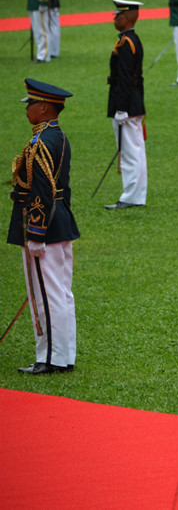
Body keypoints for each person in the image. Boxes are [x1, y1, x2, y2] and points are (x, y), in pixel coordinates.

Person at [8, 78, 80, 374]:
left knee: (47, 294)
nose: (27, 111)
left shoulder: (41, 143)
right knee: (61, 292)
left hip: (45, 228)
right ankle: (63, 355)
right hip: (61, 220)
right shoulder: (58, 136)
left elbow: (41, 191)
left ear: (44, 107)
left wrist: (35, 233)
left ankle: (50, 359)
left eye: (31, 106)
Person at [106, 0, 147, 210]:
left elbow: (123, 78)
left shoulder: (126, 43)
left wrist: (121, 108)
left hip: (127, 105)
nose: (115, 18)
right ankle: (135, 195)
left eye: (118, 15)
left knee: (131, 153)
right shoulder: (130, 40)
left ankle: (131, 196)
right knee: (135, 150)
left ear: (128, 18)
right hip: (133, 102)